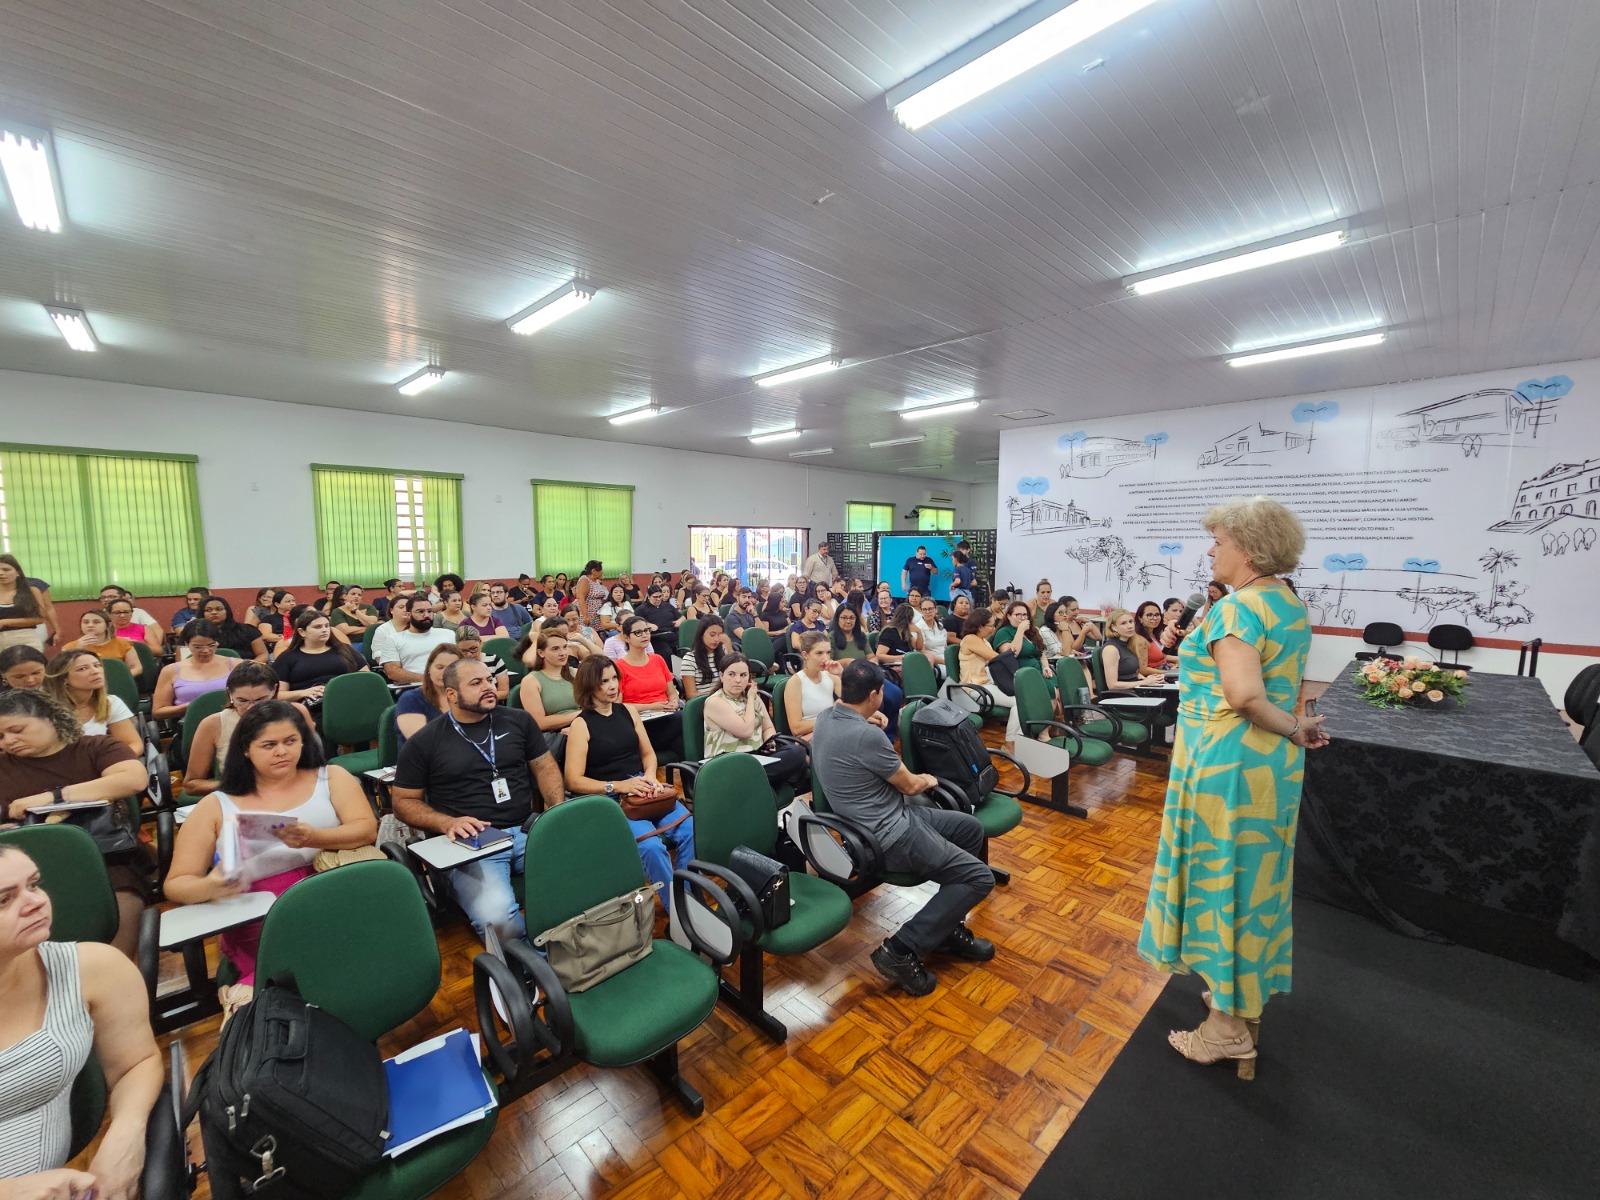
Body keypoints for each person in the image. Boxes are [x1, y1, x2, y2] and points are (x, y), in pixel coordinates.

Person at [1139, 497, 1329, 1075]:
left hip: (1225, 767)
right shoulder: (1288, 602)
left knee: (1224, 884)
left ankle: (1226, 1028)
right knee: (1252, 882)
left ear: (1247, 549)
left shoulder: (1236, 610)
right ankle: (1237, 993)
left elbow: (1245, 697)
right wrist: (1296, 729)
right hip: (1265, 765)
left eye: (1219, 541)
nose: (1211, 549)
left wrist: (1295, 725)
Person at [165, 700, 376, 1013]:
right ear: (246, 750)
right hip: (259, 912)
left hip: (331, 891)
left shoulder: (330, 777)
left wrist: (315, 837)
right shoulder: (217, 805)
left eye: (290, 741)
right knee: (299, 977)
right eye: (269, 745)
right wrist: (213, 884)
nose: (282, 752)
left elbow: (366, 829)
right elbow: (176, 884)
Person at [813, 660, 994, 996]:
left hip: (878, 822)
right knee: (979, 878)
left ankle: (944, 927)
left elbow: (853, 734)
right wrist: (931, 778)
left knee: (971, 830)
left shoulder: (827, 717)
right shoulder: (867, 736)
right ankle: (900, 949)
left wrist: (869, 718)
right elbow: (911, 786)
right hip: (889, 835)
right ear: (874, 695)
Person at [0, 842, 162, 1199]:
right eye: (4, 900)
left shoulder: (93, 969)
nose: (36, 901)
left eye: (34, 884)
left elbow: (136, 1063)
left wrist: (126, 1134)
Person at [393, 659, 565, 945]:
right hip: (472, 843)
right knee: (497, 917)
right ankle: (530, 966)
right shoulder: (425, 741)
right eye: (476, 683)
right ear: (451, 695)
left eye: (489, 679)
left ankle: (575, 946)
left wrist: (556, 812)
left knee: (588, 871)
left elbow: (544, 766)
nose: (489, 687)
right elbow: (402, 802)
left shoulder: (518, 720)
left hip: (525, 830)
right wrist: (446, 822)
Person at [0, 690, 151, 957]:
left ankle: (111, 974)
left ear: (50, 719)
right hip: (20, 871)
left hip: (106, 859)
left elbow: (134, 779)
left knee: (120, 900)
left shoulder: (96, 748)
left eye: (16, 730)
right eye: (1, 737)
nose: (9, 741)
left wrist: (53, 797)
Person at [564, 656, 693, 895]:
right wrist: (620, 786)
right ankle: (677, 910)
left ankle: (687, 896)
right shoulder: (581, 724)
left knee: (691, 830)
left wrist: (652, 776)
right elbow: (573, 780)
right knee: (652, 847)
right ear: (590, 685)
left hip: (643, 786)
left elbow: (648, 754)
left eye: (615, 678)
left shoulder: (628, 711)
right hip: (613, 796)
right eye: (604, 681)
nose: (613, 685)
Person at [182, 664, 315, 794]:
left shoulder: (297, 712)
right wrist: (234, 785)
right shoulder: (213, 724)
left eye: (261, 700)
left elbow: (313, 761)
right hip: (245, 797)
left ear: (274, 691)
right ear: (230, 694)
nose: (251, 708)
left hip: (296, 790)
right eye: (242, 700)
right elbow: (192, 784)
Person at [702, 654, 808, 791]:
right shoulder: (715, 702)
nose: (738, 680)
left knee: (796, 752)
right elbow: (745, 731)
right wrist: (751, 699)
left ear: (749, 677)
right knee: (783, 771)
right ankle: (758, 785)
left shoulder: (751, 696)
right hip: (728, 762)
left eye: (743, 675)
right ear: (721, 676)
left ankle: (754, 784)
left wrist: (770, 741)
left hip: (756, 756)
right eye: (732, 674)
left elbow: (768, 726)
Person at [42, 650, 141, 757]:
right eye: (83, 669)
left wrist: (109, 763)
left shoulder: (110, 703)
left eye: (97, 665)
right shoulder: (44, 710)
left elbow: (134, 744)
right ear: (64, 678)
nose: (95, 671)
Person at [614, 616, 684, 760]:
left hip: (667, 716)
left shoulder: (657, 659)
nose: (645, 635)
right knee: (684, 719)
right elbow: (618, 706)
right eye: (638, 632)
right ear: (626, 637)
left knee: (683, 743)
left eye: (646, 630)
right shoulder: (619, 667)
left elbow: (671, 693)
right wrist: (652, 706)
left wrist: (674, 702)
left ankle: (692, 779)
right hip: (641, 722)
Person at [270, 607, 368, 709]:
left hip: (348, 701)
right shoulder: (287, 657)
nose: (324, 630)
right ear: (302, 632)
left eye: (327, 626)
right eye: (318, 627)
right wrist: (304, 693)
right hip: (309, 707)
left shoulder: (345, 650)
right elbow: (277, 695)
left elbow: (367, 678)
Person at [150, 621, 234, 719]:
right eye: (198, 647)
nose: (206, 650)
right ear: (187, 644)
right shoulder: (170, 671)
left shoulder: (235, 665)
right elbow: (158, 711)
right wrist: (190, 707)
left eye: (211, 645)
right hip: (190, 720)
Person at [958, 612, 1022, 741]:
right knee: (1020, 703)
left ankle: (1017, 741)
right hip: (974, 688)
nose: (993, 629)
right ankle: (1011, 743)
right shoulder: (970, 639)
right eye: (991, 626)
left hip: (986, 684)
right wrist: (1010, 652)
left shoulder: (983, 641)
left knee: (1023, 700)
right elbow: (995, 658)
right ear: (980, 626)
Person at [373, 593, 457, 690]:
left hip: (448, 685)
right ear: (409, 614)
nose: (426, 615)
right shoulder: (393, 639)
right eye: (420, 611)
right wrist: (429, 680)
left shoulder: (448, 634)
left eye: (430, 611)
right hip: (415, 688)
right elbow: (392, 672)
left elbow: (459, 662)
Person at [394, 644, 463, 748]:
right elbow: (422, 744)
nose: (444, 673)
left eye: (451, 668)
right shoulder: (410, 699)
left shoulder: (469, 697)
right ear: (429, 669)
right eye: (440, 667)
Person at [784, 631, 848, 741]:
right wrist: (832, 715)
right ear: (805, 655)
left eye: (828, 652)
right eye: (819, 653)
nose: (825, 658)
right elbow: (796, 728)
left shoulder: (831, 676)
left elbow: (853, 702)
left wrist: (841, 675)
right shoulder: (795, 682)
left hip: (832, 730)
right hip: (812, 737)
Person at [517, 627, 580, 734]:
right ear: (541, 653)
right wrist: (580, 714)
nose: (563, 653)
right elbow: (539, 723)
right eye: (555, 649)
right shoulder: (531, 681)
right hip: (554, 734)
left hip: (581, 726)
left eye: (565, 647)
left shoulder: (576, 672)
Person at [64, 610, 143, 679]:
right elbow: (64, 671)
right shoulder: (69, 647)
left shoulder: (123, 644)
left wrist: (121, 677)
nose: (90, 625)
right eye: (85, 622)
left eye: (96, 622)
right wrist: (78, 650)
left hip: (117, 683)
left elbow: (137, 668)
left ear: (108, 625)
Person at [1100, 608, 1162, 690]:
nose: (1129, 626)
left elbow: (1133, 673)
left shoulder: (1130, 644)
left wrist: (1149, 679)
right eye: (1123, 623)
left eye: (1131, 622)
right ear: (1114, 627)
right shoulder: (1111, 649)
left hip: (1136, 689)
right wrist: (1144, 683)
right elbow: (1112, 685)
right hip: (1122, 695)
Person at [994, 600, 1054, 681]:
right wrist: (1020, 630)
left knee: (1060, 688)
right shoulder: (1003, 632)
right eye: (1018, 615)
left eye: (1025, 615)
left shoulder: (1032, 631)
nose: (1022, 618)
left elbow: (1041, 654)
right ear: (1009, 616)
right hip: (1023, 676)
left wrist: (1046, 667)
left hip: (1040, 672)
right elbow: (1011, 655)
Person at [197, 597, 267, 662]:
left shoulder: (247, 630)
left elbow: (263, 655)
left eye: (219, 609)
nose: (214, 612)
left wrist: (248, 667)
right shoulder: (197, 634)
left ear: (227, 611)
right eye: (208, 610)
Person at [453, 626, 510, 702]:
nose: (469, 654)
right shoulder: (456, 664)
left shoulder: (494, 661)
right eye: (463, 651)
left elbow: (504, 692)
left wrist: (480, 698)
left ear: (480, 642)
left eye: (473, 649)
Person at [632, 584, 683, 662]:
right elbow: (636, 623)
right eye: (655, 597)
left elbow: (682, 617)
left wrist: (680, 620)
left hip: (673, 634)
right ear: (649, 597)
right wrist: (647, 625)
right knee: (667, 653)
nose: (658, 599)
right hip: (657, 637)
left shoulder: (667, 606)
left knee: (686, 650)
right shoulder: (641, 609)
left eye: (660, 596)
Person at [681, 616, 730, 698]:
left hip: (726, 698)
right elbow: (691, 695)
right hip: (704, 702)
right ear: (701, 634)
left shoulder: (723, 652)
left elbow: (736, 670)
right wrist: (717, 693)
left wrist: (729, 646)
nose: (716, 639)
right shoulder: (689, 659)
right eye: (712, 635)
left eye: (720, 635)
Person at [256, 589, 297, 655]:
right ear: (277, 604)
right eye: (288, 601)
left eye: (293, 601)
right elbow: (265, 636)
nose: (292, 603)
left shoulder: (299, 617)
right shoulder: (268, 619)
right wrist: (285, 637)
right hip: (276, 651)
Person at [1136, 601, 1170, 669]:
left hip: (1165, 670)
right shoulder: (1140, 639)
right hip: (1154, 676)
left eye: (1157, 615)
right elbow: (1143, 669)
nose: (1154, 618)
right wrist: (1166, 673)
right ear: (1140, 618)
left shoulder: (1155, 634)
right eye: (1150, 615)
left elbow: (1163, 656)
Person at [574, 560, 607, 631]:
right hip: (588, 615)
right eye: (601, 570)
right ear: (594, 571)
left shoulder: (597, 581)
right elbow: (580, 598)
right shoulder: (584, 580)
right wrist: (585, 616)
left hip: (597, 615)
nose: (602, 572)